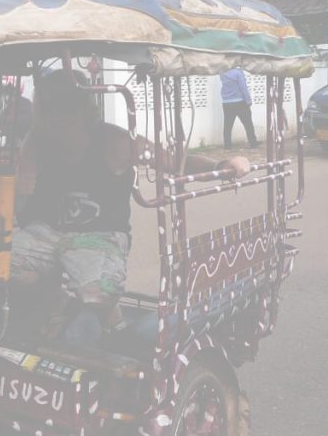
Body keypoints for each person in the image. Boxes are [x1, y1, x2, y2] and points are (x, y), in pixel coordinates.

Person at [13, 70, 251, 347]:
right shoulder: (36, 142)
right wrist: (20, 189)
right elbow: (19, 202)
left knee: (97, 294)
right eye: (51, 110)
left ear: (84, 108)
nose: (61, 119)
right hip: (46, 232)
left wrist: (221, 167)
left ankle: (114, 326)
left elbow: (174, 163)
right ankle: (59, 303)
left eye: (67, 107)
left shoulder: (117, 143)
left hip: (100, 236)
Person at [219, 68, 258, 149]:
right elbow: (243, 88)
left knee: (227, 125)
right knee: (248, 124)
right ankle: (253, 143)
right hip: (240, 102)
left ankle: (227, 145)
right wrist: (248, 100)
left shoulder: (222, 72)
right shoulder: (238, 73)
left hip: (226, 102)